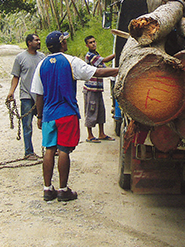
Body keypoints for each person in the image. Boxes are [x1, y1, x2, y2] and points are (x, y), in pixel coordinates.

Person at [31, 31, 118, 202]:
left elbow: (38, 94)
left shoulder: (41, 65)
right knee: (63, 150)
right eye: (65, 41)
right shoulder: (71, 61)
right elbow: (97, 72)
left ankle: (47, 189)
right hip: (66, 113)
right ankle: (63, 190)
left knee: (49, 149)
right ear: (61, 44)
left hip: (49, 114)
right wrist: (119, 70)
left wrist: (40, 116)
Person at [6, 34, 46, 160]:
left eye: (39, 40)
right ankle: (28, 151)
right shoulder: (20, 58)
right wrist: (11, 92)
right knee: (27, 124)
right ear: (29, 42)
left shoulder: (42, 57)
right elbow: (16, 77)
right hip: (26, 96)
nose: (39, 42)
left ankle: (50, 149)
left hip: (40, 96)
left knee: (46, 122)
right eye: (36, 40)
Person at [82, 35, 116, 143]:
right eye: (91, 42)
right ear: (87, 45)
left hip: (98, 88)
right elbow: (105, 60)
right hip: (91, 88)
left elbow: (104, 67)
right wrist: (117, 52)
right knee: (91, 110)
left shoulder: (96, 54)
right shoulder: (90, 56)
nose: (93, 44)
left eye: (94, 41)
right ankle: (90, 135)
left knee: (101, 111)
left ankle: (101, 133)